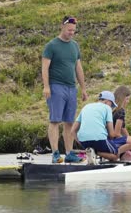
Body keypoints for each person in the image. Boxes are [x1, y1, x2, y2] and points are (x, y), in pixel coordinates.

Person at [42, 15, 88, 163]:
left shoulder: (75, 46)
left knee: (69, 122)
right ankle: (55, 153)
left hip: (71, 88)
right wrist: (46, 86)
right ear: (62, 27)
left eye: (74, 30)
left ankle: (69, 152)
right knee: (55, 120)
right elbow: (45, 67)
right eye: (69, 30)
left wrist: (83, 88)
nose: (71, 33)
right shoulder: (52, 45)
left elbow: (78, 68)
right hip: (56, 87)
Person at [71, 91, 131, 163]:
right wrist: (127, 146)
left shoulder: (86, 107)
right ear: (107, 101)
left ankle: (91, 150)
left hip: (84, 142)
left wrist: (82, 144)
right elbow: (111, 134)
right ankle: (97, 152)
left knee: (110, 150)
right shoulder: (107, 108)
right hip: (100, 140)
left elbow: (73, 131)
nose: (111, 107)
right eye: (112, 104)